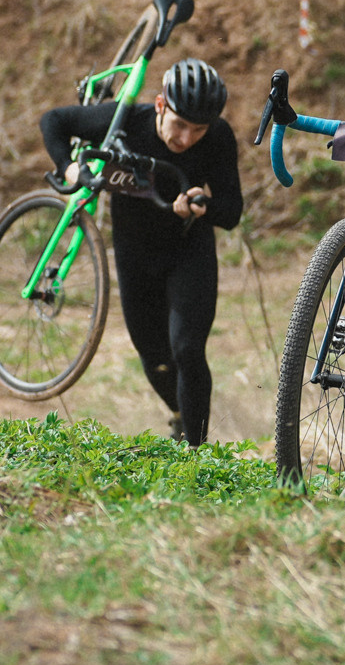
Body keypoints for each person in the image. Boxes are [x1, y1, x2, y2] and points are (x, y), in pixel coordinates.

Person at [38, 59, 242, 445]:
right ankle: (181, 417)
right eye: (180, 124)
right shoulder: (127, 120)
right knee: (155, 357)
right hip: (134, 253)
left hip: (188, 250)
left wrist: (203, 204)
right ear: (161, 104)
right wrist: (67, 168)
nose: (187, 138)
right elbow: (53, 121)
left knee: (187, 348)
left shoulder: (218, 137)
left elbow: (232, 211)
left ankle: (197, 455)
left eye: (198, 129)